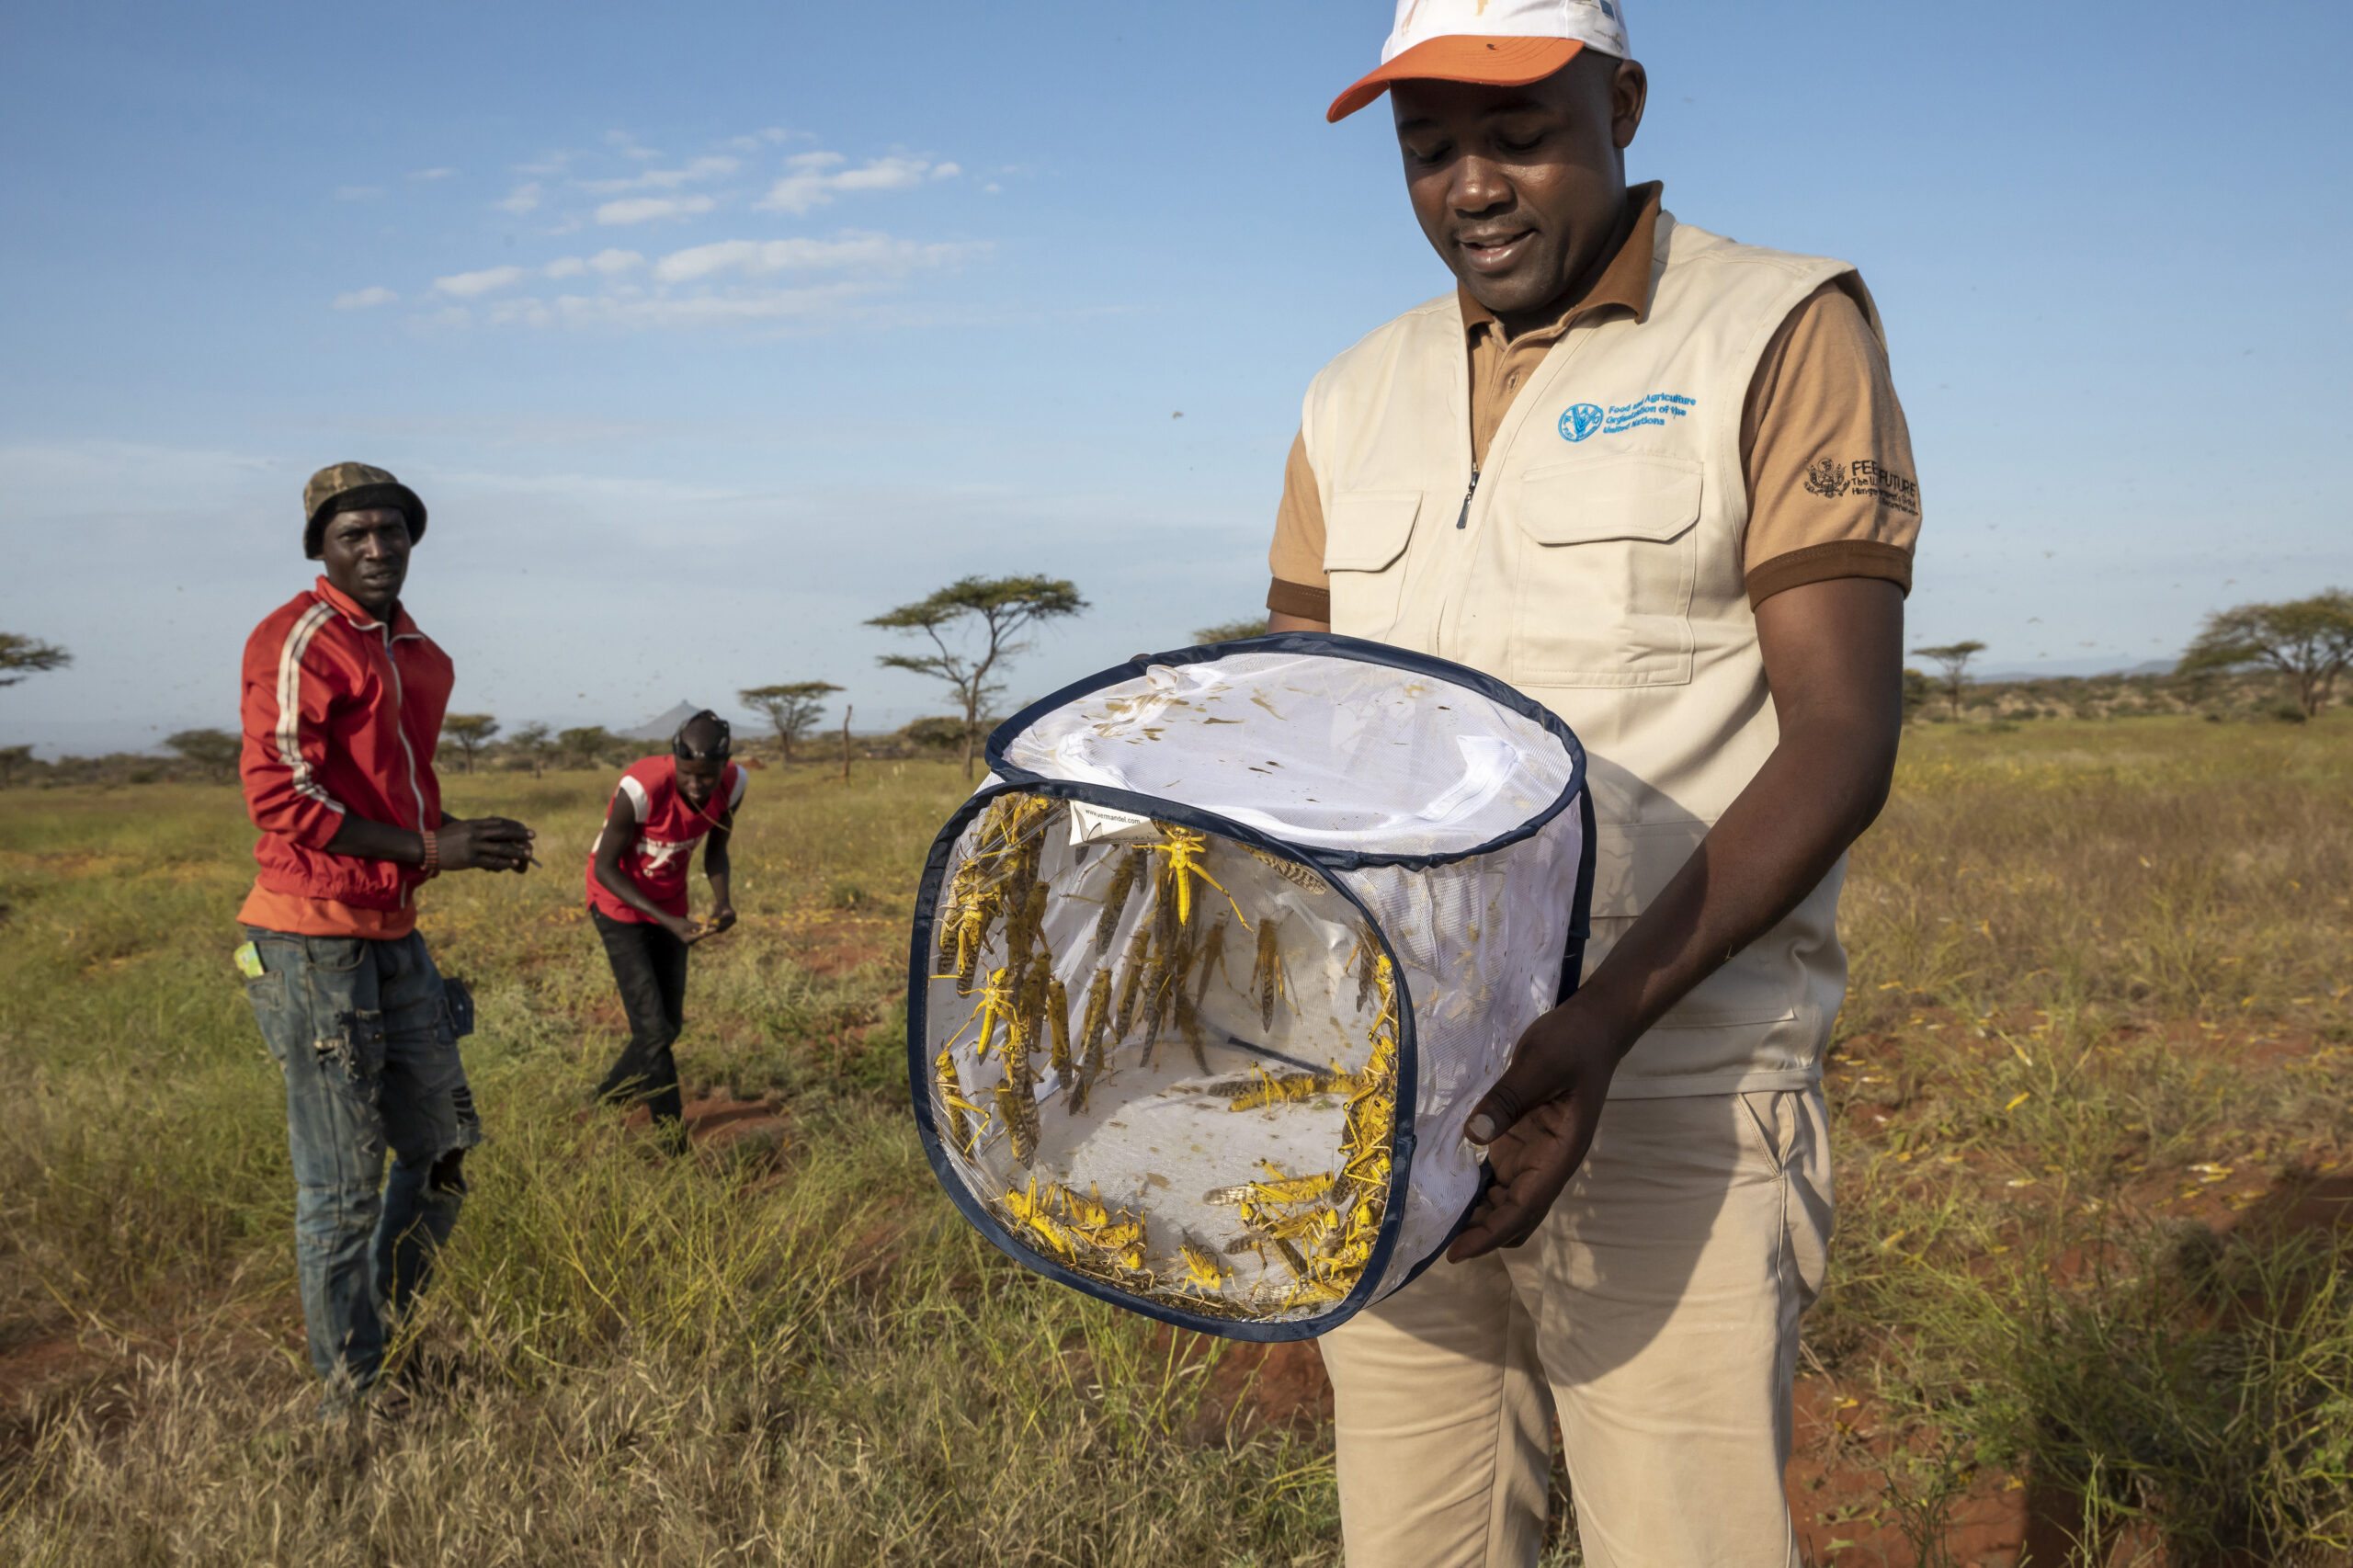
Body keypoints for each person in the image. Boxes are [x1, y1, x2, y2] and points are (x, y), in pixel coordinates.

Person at [1266, 3, 1921, 1563]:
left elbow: (1840, 735)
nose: (1472, 187)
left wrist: (1603, 1024)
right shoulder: (1349, 395)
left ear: (1621, 104)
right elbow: (1300, 737)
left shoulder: (1776, 326)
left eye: (1519, 135)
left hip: (1674, 1084)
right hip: (1402, 1101)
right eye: (1429, 150)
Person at [236, 461, 536, 1413]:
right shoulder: (299, 638)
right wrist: (430, 847)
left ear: (413, 539)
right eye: (352, 534)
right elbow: (280, 798)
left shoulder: (421, 653)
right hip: (309, 942)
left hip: (393, 930)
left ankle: (380, 1334)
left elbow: (390, 786)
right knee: (341, 1186)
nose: (376, 548)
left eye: (391, 530)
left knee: (443, 1150)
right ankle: (351, 1397)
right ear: (319, 547)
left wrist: (452, 835)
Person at [584, 710, 742, 1129]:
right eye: (687, 774)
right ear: (675, 762)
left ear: (724, 765)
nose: (696, 785)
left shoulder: (734, 785)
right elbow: (604, 868)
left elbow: (716, 851)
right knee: (652, 1031)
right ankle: (672, 1141)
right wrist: (668, 922)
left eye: (707, 776)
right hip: (618, 904)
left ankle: (607, 1099)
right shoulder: (641, 787)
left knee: (668, 1026)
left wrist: (723, 903)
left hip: (670, 904)